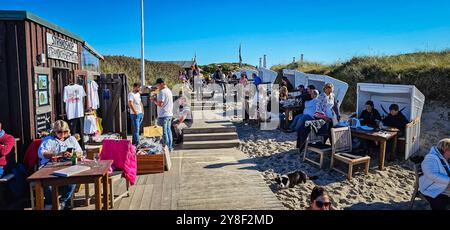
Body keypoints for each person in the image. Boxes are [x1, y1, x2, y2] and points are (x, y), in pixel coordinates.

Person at [38, 120, 81, 210]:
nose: (62, 134)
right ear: (54, 132)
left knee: (73, 179)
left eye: (65, 132)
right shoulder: (48, 140)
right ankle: (50, 203)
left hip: (68, 165)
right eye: (59, 132)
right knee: (48, 183)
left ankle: (62, 202)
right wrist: (57, 154)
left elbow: (79, 152)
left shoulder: (71, 139)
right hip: (49, 166)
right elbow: (41, 153)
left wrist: (73, 154)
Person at [419, 138, 450, 210]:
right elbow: (431, 175)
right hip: (432, 188)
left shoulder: (445, 158)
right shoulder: (431, 158)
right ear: (445, 149)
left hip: (443, 186)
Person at [151, 78, 174, 152]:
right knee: (168, 131)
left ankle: (166, 149)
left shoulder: (162, 92)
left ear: (161, 84)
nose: (157, 86)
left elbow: (160, 104)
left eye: (158, 85)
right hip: (169, 114)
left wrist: (153, 100)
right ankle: (170, 147)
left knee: (164, 133)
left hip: (163, 115)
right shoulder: (169, 91)